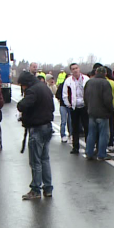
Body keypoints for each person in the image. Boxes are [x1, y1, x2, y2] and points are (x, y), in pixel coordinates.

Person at [16, 71, 55, 200]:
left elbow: (23, 105)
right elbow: (52, 107)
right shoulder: (44, 87)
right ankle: (48, 188)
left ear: (26, 83)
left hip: (37, 128)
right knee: (45, 159)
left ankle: (35, 189)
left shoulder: (32, 91)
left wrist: (20, 105)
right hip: (47, 126)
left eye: (22, 85)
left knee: (35, 161)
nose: (22, 88)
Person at [84, 66, 114, 161]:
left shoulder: (89, 82)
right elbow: (108, 100)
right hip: (103, 113)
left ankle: (89, 153)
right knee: (103, 135)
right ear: (105, 74)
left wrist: (88, 107)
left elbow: (85, 97)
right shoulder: (106, 83)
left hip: (92, 112)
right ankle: (101, 154)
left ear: (96, 72)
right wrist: (111, 110)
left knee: (91, 134)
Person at [62, 62, 89, 154]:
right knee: (75, 127)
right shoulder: (68, 81)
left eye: (76, 68)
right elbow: (64, 94)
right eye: (73, 69)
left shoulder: (86, 79)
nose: (75, 70)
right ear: (71, 71)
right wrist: (68, 104)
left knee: (87, 127)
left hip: (84, 106)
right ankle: (75, 147)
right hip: (74, 107)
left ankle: (88, 147)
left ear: (79, 69)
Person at [55, 73, 71, 144]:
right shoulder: (62, 85)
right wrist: (62, 100)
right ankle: (63, 135)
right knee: (63, 121)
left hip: (70, 106)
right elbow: (57, 94)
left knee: (70, 121)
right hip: (63, 105)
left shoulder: (73, 85)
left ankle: (71, 134)